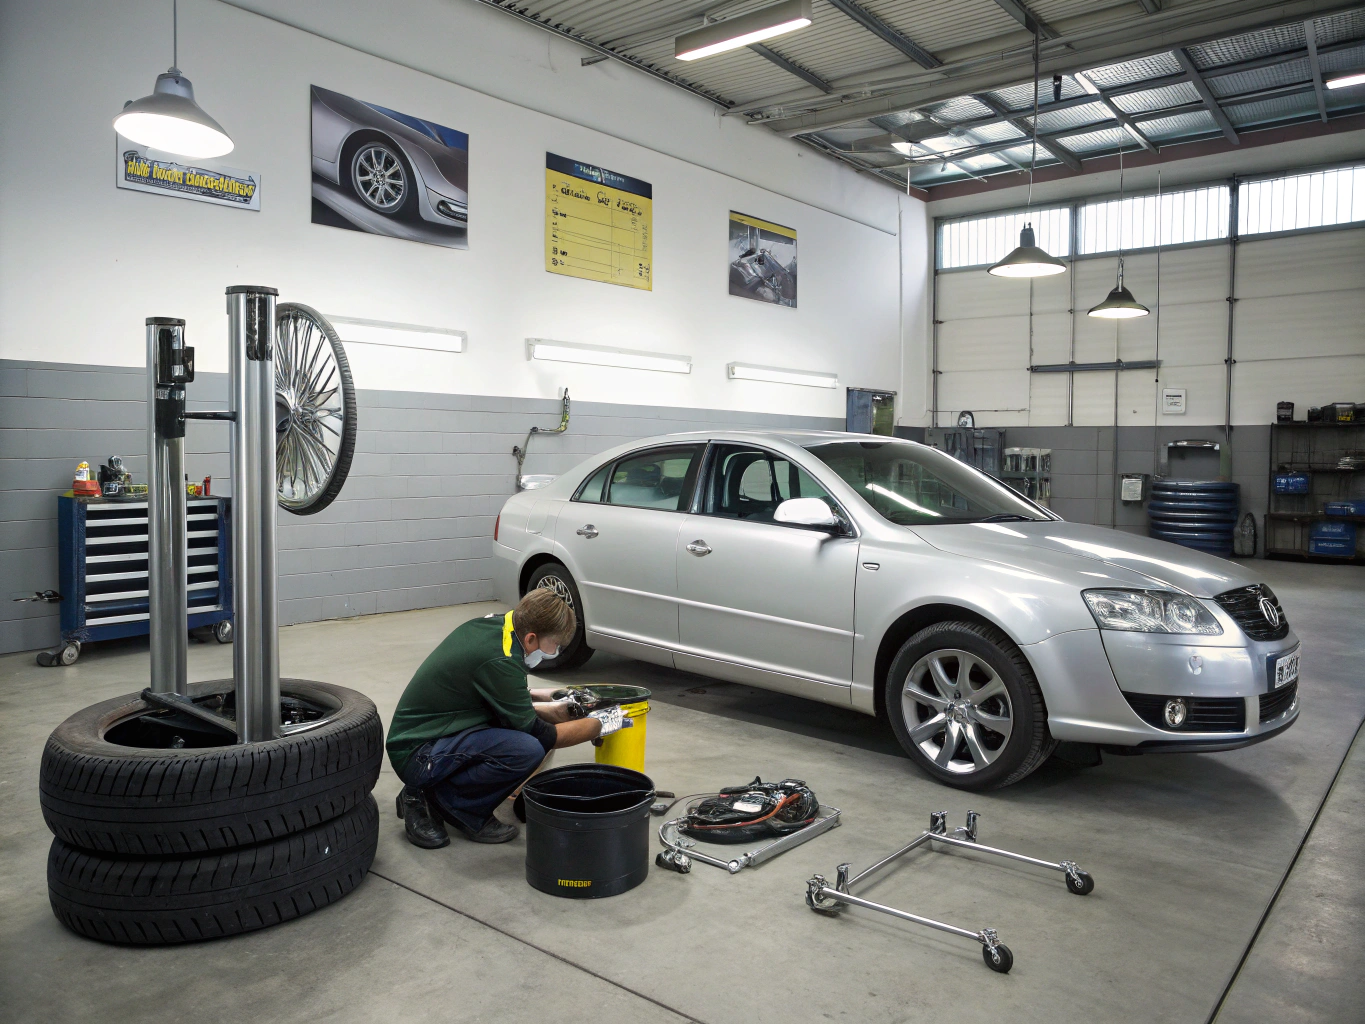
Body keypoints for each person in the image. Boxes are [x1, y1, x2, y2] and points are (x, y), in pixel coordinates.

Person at [386, 587, 625, 847]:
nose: (555, 651)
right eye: (555, 645)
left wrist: (556, 705)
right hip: (416, 753)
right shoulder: (500, 659)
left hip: (439, 731)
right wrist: (601, 723)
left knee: (522, 731)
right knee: (526, 749)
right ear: (531, 639)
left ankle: (432, 788)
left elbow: (504, 699)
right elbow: (545, 736)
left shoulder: (501, 627)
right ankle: (449, 802)